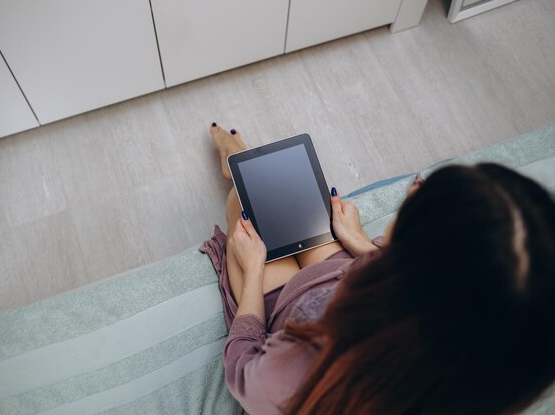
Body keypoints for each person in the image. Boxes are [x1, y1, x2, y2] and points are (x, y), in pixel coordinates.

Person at [200, 124, 555, 415]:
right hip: (344, 280)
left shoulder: (302, 381)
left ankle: (235, 160)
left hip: (285, 312)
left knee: (245, 203)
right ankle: (241, 160)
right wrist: (359, 242)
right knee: (295, 201)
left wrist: (252, 272)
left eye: (412, 207)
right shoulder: (477, 354)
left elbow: (243, 368)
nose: (409, 197)